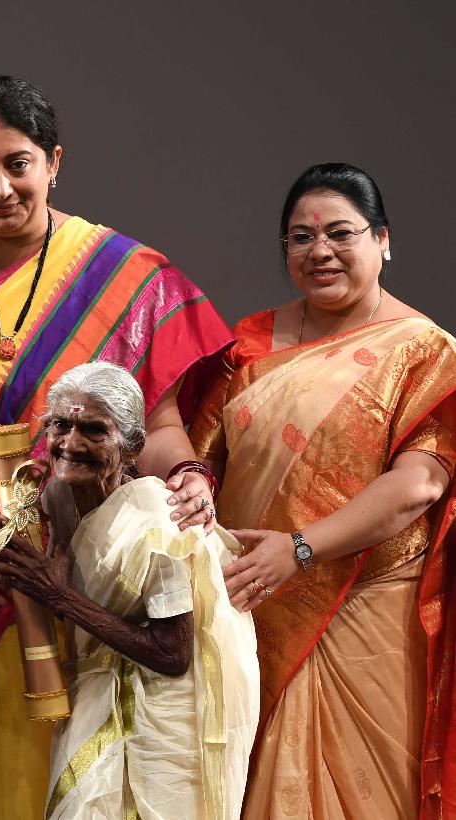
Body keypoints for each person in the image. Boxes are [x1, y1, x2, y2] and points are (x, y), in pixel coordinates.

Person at [0, 75, 234, 817]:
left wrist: (189, 473)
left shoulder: (123, 276)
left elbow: (157, 430)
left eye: (18, 164)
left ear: (53, 163)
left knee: (77, 782)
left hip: (84, 588)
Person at [188, 163, 456, 819]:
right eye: (301, 238)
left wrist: (299, 550)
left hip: (366, 618)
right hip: (250, 607)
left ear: (383, 240)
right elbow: (200, 461)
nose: (320, 251)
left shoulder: (426, 351)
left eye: (340, 233)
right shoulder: (246, 345)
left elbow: (419, 484)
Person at [0, 362, 258, 819]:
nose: (71, 444)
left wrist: (57, 594)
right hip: (94, 694)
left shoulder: (160, 521)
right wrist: (16, 563)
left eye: (94, 430)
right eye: (60, 426)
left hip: (165, 717)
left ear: (132, 447)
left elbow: (172, 654)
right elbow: (81, 593)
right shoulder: (58, 498)